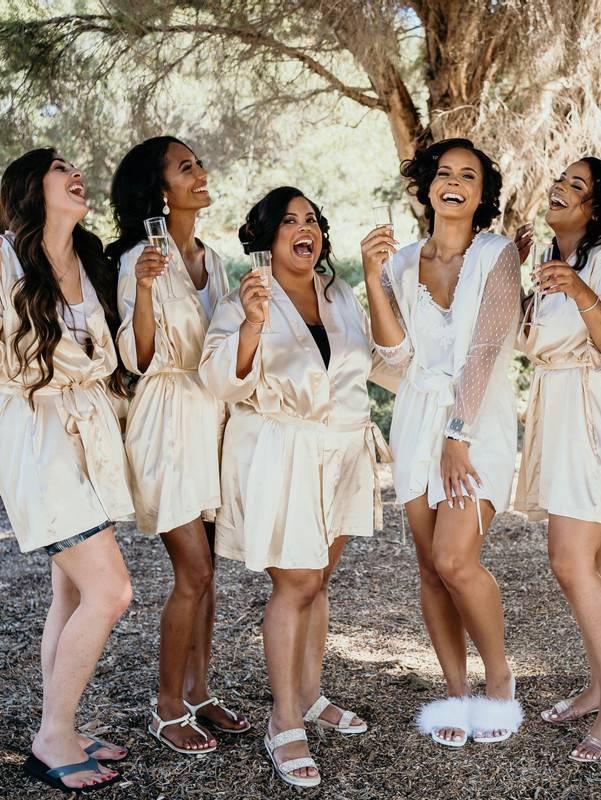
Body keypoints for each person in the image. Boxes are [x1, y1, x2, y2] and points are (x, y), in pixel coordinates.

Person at [0, 148, 133, 793]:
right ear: (29, 186)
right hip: (35, 436)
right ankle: (52, 737)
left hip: (87, 433)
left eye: (77, 166)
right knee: (111, 592)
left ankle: (66, 726)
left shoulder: (87, 260)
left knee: (73, 592)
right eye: (58, 167)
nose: (75, 172)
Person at [199, 187, 390, 788]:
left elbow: (383, 364)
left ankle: (309, 695)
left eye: (312, 220)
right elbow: (218, 381)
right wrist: (253, 326)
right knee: (297, 580)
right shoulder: (243, 299)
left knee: (318, 579)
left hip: (343, 450)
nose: (304, 229)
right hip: (280, 453)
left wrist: (383, 281)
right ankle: (283, 720)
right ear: (265, 237)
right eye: (289, 221)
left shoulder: (341, 293)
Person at [361, 138, 522, 748]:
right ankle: (455, 691)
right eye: (444, 173)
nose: (453, 183)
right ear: (428, 186)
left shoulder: (498, 254)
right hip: (416, 417)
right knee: (431, 569)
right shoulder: (402, 263)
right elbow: (397, 355)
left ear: (481, 195)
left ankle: (499, 680)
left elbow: (483, 350)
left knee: (457, 559)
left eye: (468, 176)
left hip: (476, 422)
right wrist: (376, 280)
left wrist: (458, 435)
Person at [106, 136, 245, 755]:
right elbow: (134, 359)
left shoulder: (211, 260)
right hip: (165, 417)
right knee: (194, 570)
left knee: (210, 576)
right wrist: (139, 290)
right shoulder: (140, 258)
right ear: (162, 191)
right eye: (187, 168)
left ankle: (200, 690)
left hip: (212, 418)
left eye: (199, 164)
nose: (202, 174)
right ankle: (166, 706)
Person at [512, 157, 601, 762]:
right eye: (558, 180)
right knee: (591, 559)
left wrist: (579, 288)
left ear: (596, 208)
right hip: (558, 409)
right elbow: (526, 339)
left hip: (599, 413)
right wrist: (513, 275)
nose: (559, 189)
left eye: (576, 186)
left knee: (569, 560)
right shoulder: (551, 261)